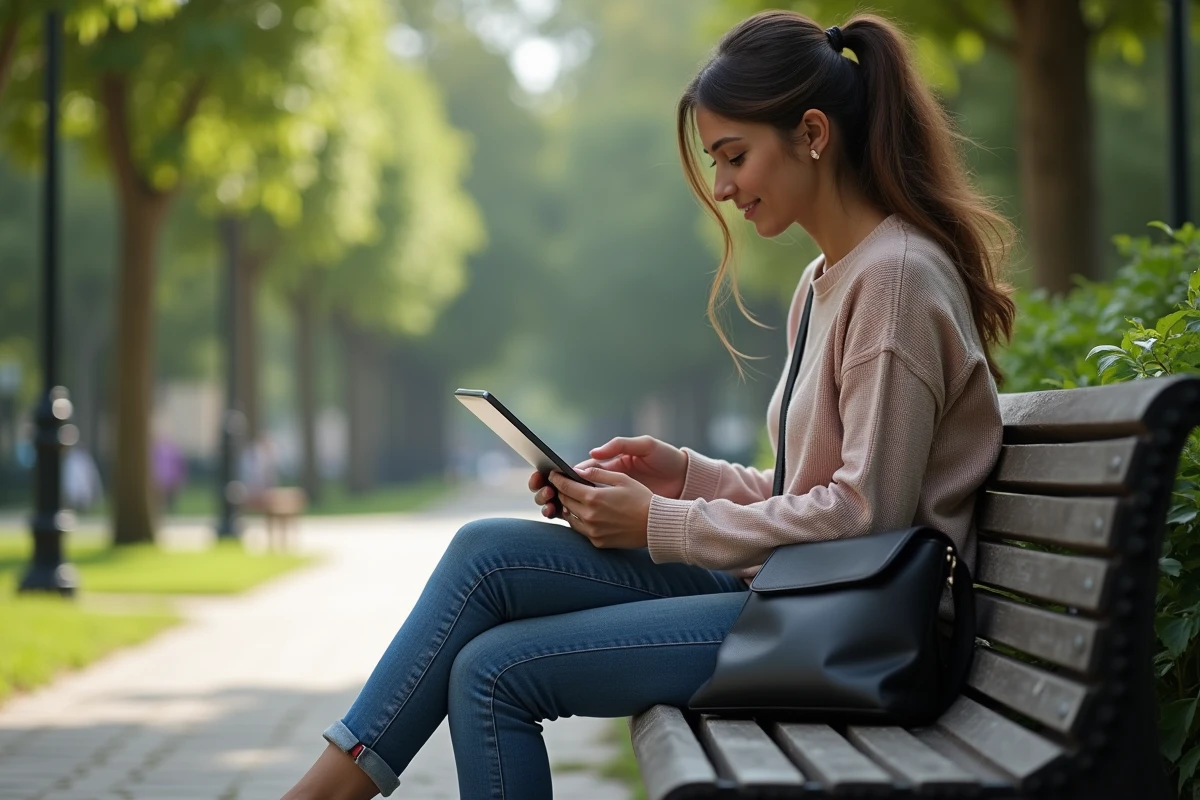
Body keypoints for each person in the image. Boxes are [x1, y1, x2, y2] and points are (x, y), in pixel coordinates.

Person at [281, 11, 1015, 800]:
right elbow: (809, 494)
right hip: (801, 598)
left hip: (858, 627)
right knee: (484, 555)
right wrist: (682, 476)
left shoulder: (894, 281)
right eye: (716, 161)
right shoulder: (827, 281)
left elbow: (868, 518)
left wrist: (658, 526)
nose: (724, 186)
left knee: (493, 674)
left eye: (735, 156)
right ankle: (328, 788)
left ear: (811, 133)